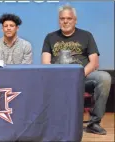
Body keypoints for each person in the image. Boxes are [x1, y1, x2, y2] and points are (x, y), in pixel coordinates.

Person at [41, 5, 111, 135]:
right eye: (62, 18)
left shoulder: (86, 35)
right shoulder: (50, 37)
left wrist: (78, 76)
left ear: (75, 20)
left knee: (105, 78)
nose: (65, 21)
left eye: (69, 18)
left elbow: (94, 62)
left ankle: (94, 123)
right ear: (59, 20)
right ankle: (51, 122)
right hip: (58, 78)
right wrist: (57, 76)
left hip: (82, 77)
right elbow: (45, 62)